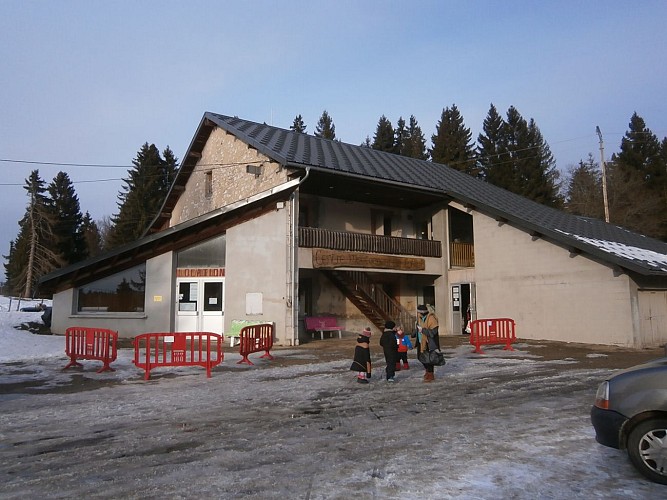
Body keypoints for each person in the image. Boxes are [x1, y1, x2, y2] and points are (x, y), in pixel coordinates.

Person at [414, 304, 440, 382]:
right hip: (420, 341)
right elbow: (417, 327)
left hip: (429, 342)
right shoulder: (419, 318)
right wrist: (415, 332)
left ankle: (430, 373)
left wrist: (422, 330)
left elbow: (433, 332)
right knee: (420, 357)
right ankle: (427, 370)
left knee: (429, 359)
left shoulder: (432, 319)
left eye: (419, 312)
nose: (418, 313)